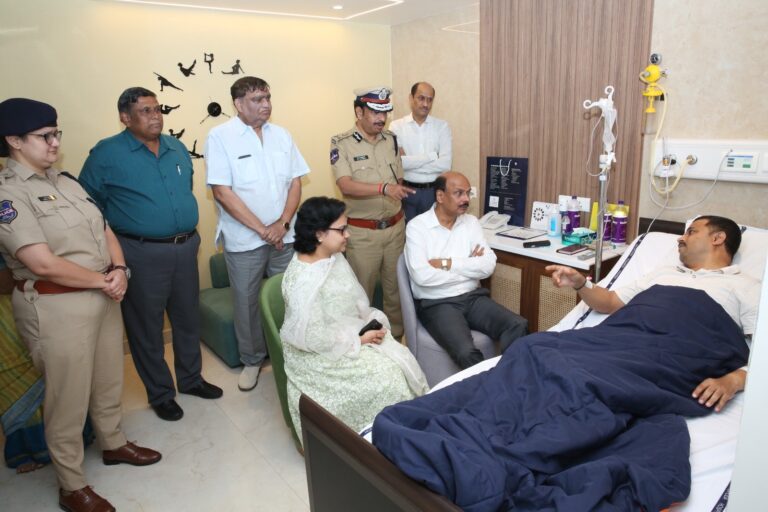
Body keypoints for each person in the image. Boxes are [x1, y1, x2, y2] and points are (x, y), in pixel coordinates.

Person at [0, 98, 161, 512]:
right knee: (67, 399)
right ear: (14, 140)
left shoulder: (66, 180)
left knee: (108, 380)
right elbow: (41, 262)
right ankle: (71, 486)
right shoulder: (9, 193)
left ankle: (113, 443)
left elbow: (104, 228)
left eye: (57, 133)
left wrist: (119, 269)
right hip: (56, 306)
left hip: (102, 295)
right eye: (45, 136)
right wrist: (105, 281)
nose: (55, 142)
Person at [80, 87, 222, 423]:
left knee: (188, 318)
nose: (155, 116)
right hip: (140, 252)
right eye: (145, 111)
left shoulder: (175, 147)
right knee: (147, 326)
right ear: (125, 117)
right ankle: (161, 393)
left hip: (185, 247)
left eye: (157, 109)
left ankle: (191, 379)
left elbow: (183, 189)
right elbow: (88, 206)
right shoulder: (106, 153)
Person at [547, 215, 761, 412]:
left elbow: (763, 351)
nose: (680, 238)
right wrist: (580, 283)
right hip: (619, 341)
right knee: (539, 348)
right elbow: (610, 302)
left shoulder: (746, 286)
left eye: (691, 232)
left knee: (580, 377)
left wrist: (735, 380)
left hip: (670, 358)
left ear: (717, 238)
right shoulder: (663, 273)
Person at [280, 196, 428, 443]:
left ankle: (405, 430)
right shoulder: (303, 281)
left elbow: (353, 298)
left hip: (344, 333)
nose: (348, 235)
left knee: (400, 359)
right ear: (319, 234)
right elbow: (313, 337)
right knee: (388, 377)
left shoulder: (332, 256)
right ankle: (381, 440)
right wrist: (359, 339)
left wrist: (368, 322)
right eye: (342, 230)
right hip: (316, 354)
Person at [205, 76, 309, 391]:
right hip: (244, 240)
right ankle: (252, 360)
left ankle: (291, 353)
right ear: (238, 104)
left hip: (284, 236)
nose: (265, 105)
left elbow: (295, 182)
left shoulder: (282, 135)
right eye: (257, 100)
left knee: (289, 296)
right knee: (246, 303)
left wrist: (283, 224)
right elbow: (222, 192)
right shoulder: (220, 136)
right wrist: (264, 230)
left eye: (267, 98)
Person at [405, 172, 528, 369]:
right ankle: (486, 388)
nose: (466, 199)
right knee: (466, 352)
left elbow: (488, 265)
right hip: (438, 303)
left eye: (468, 193)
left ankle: (507, 379)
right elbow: (422, 277)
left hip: (472, 297)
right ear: (440, 196)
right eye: (459, 193)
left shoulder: (471, 222)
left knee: (517, 325)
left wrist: (447, 263)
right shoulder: (417, 227)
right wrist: (470, 267)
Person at [330, 87, 415, 339]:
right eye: (375, 113)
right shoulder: (341, 143)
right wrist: (383, 188)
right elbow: (345, 185)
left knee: (396, 292)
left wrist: (395, 191)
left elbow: (398, 178)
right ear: (359, 112)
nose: (382, 119)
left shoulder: (391, 139)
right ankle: (363, 344)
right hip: (363, 235)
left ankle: (396, 342)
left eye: (385, 113)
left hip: (395, 229)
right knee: (360, 295)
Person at [389, 82, 452, 221]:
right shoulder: (396, 127)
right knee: (408, 231)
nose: (426, 104)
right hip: (407, 192)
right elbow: (399, 163)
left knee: (433, 232)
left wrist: (410, 163)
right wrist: (432, 156)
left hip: (433, 193)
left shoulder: (442, 127)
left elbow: (445, 164)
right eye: (421, 98)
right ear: (411, 98)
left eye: (430, 100)